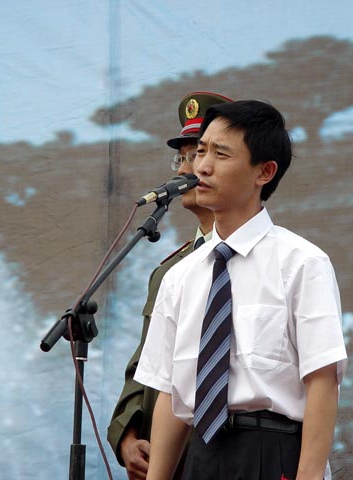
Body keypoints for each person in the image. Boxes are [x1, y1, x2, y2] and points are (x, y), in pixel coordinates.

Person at [134, 100, 348, 480]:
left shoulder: (302, 263)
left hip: (271, 451)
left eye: (220, 154)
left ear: (264, 172)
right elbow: (170, 392)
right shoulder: (179, 277)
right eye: (201, 152)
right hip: (201, 454)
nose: (202, 166)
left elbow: (322, 382)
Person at [107, 92, 232, 480]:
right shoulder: (169, 272)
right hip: (169, 464)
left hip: (232, 457)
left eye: (201, 155)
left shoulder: (267, 261)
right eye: (183, 158)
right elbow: (145, 365)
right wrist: (127, 436)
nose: (188, 169)